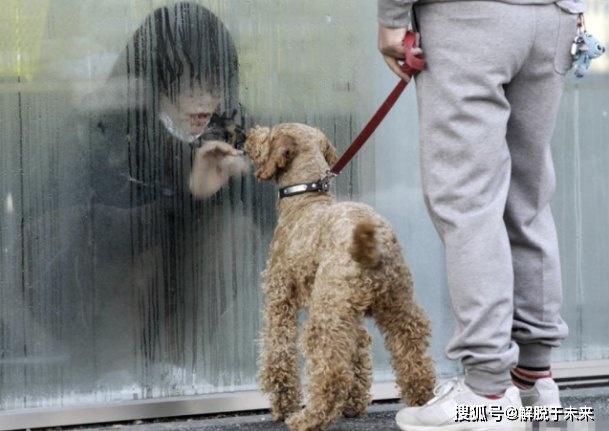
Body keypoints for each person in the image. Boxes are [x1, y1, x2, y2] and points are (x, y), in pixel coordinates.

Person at [377, 0, 586, 428]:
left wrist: (392, 18)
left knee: (468, 200)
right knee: (526, 197)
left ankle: (487, 393)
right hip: (555, 17)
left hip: (470, 17)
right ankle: (532, 380)